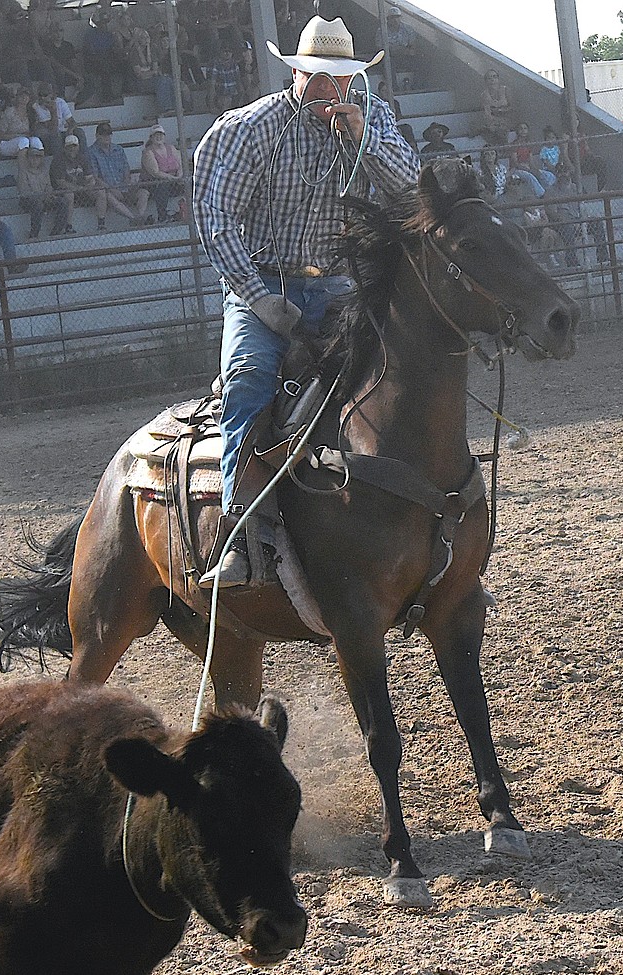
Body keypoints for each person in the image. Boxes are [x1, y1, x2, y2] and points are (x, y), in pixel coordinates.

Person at [192, 16, 418, 587]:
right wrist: (257, 297)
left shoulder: (371, 121)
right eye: (320, 76)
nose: (331, 89)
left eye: (341, 78)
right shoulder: (253, 128)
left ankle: (416, 517)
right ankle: (240, 531)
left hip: (343, 284)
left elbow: (412, 194)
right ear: (297, 72)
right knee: (248, 379)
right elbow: (218, 220)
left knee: (401, 374)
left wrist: (363, 138)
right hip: (266, 284)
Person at [86, 121, 149, 230]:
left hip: (123, 186)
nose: (106, 137)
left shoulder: (118, 149)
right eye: (103, 134)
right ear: (97, 135)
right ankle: (133, 219)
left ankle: (140, 217)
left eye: (109, 134)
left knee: (144, 192)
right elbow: (95, 177)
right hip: (107, 189)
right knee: (108, 196)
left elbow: (126, 168)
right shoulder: (91, 152)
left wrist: (126, 184)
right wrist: (112, 189)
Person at [17, 137, 66, 237]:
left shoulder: (44, 171)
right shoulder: (23, 172)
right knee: (38, 204)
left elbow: (48, 186)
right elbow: (25, 191)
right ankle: (34, 233)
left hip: (44, 198)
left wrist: (49, 195)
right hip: (28, 201)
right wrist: (42, 197)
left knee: (63, 201)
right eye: (32, 157)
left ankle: (57, 231)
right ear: (28, 158)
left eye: (38, 157)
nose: (35, 159)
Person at [49, 133, 98, 233]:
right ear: (64, 148)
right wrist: (78, 188)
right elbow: (60, 182)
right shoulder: (58, 160)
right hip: (62, 191)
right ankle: (68, 226)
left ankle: (101, 224)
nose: (72, 149)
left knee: (101, 193)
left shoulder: (83, 158)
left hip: (82, 189)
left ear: (78, 147)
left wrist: (90, 184)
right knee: (69, 195)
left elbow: (90, 177)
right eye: (69, 147)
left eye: (74, 146)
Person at [140, 125, 184, 222]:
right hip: (154, 183)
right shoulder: (148, 152)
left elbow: (181, 164)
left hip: (174, 180)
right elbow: (155, 172)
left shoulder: (171, 148)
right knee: (162, 185)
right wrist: (172, 178)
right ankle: (162, 216)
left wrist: (180, 175)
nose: (158, 137)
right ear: (151, 138)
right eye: (155, 135)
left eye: (161, 134)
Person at [481, 67, 513, 147]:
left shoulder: (506, 90)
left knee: (501, 129)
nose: (492, 79)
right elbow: (487, 111)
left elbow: (512, 107)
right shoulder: (484, 95)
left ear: (498, 79)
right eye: (489, 78)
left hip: (507, 117)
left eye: (494, 77)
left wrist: (501, 110)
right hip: (492, 120)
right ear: (486, 81)